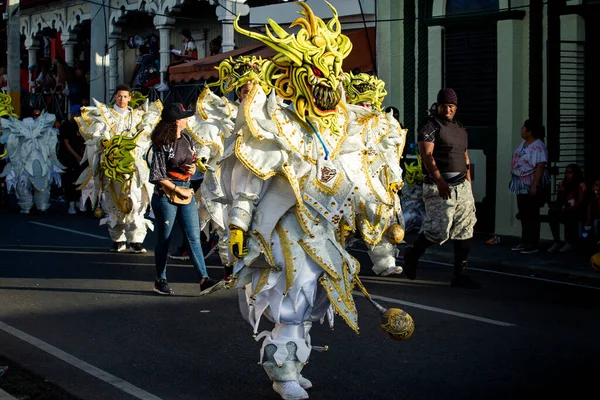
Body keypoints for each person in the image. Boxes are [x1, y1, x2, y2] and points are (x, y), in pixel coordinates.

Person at [220, 5, 414, 399]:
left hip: (325, 228)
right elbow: (251, 176)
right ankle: (283, 370)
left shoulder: (346, 126)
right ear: (294, 81)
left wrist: (376, 216)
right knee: (294, 293)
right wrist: (238, 224)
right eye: (315, 74)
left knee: (317, 298)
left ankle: (294, 362)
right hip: (285, 224)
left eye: (330, 71)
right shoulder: (277, 122)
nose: (325, 83)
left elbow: (358, 178)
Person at [403, 88, 480, 289]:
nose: (448, 109)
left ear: (456, 108)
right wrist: (440, 181)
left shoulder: (460, 127)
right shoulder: (430, 125)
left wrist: (469, 184)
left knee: (465, 228)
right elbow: (427, 156)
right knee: (438, 231)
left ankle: (460, 275)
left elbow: (465, 156)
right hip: (439, 187)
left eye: (452, 106)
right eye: (445, 105)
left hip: (461, 185)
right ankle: (412, 255)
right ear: (438, 106)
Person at [148, 102, 224, 296]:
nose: (188, 119)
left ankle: (204, 279)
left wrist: (191, 170)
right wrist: (176, 189)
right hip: (166, 194)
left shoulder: (187, 139)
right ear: (176, 121)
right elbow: (157, 175)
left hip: (185, 191)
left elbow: (191, 163)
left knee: (193, 237)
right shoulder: (161, 143)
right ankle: (160, 279)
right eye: (184, 117)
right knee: (165, 238)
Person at [75, 84, 161, 252]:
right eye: (119, 96)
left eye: (125, 96)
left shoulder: (137, 116)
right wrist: (104, 141)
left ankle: (136, 240)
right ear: (115, 97)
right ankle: (117, 239)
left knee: (136, 202)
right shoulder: (104, 115)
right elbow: (96, 135)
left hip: (133, 166)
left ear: (130, 98)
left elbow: (146, 137)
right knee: (112, 203)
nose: (122, 99)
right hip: (111, 165)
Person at [509, 119, 550, 254]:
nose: (521, 130)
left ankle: (532, 243)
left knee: (532, 213)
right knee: (523, 213)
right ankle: (525, 240)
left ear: (529, 131)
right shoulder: (524, 144)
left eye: (523, 128)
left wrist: (535, 184)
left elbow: (540, 165)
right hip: (520, 184)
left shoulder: (538, 146)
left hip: (530, 183)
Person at [547, 164, 587, 252]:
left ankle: (570, 242)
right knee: (551, 213)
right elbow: (560, 202)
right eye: (566, 172)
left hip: (577, 212)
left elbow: (580, 203)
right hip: (565, 209)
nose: (567, 175)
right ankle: (557, 241)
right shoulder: (563, 183)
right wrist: (561, 192)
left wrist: (568, 209)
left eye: (570, 173)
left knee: (570, 214)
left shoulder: (580, 185)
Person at [58, 105, 86, 214]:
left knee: (80, 179)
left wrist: (84, 156)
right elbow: (66, 143)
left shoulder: (83, 126)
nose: (79, 116)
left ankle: (79, 201)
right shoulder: (67, 126)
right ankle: (71, 203)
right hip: (68, 158)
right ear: (73, 114)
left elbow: (84, 143)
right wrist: (77, 156)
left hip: (80, 158)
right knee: (70, 180)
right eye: (77, 114)